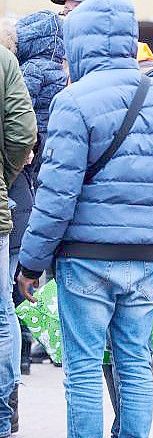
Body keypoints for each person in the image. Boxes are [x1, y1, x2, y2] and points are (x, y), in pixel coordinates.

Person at [16, 2, 153, 438]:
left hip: (85, 259)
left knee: (83, 368)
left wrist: (32, 263)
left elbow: (56, 194)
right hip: (145, 259)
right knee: (135, 363)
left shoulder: (72, 100)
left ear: (76, 41)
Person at [10, 10, 68, 375]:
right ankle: (47, 340)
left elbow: (18, 120)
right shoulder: (65, 74)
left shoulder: (28, 71)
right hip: (53, 160)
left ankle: (26, 346)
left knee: (21, 268)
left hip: (30, 163)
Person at [0, 32, 37, 438]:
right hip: (7, 206)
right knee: (1, 312)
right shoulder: (5, 63)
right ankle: (1, 420)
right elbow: (22, 132)